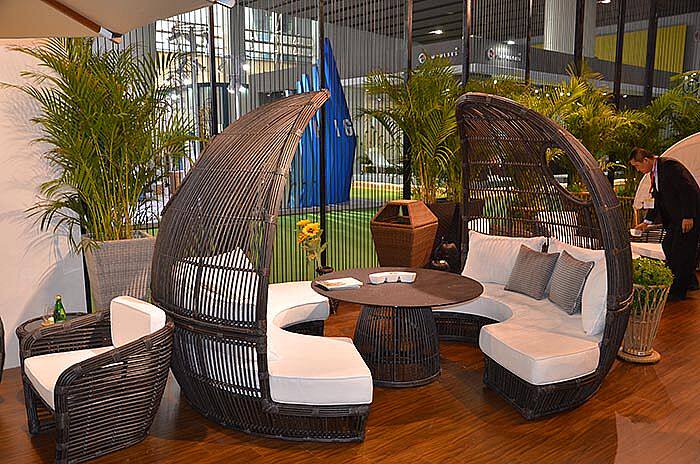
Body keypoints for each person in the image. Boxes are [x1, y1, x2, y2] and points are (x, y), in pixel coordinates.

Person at [630, 147, 700, 301]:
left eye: (637, 166)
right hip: (676, 219)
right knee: (669, 246)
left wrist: (688, 216)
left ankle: (678, 292)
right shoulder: (655, 172)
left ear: (646, 160)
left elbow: (687, 190)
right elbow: (657, 200)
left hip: (687, 217)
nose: (638, 170)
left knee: (681, 252)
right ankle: (690, 281)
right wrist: (646, 222)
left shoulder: (669, 166)